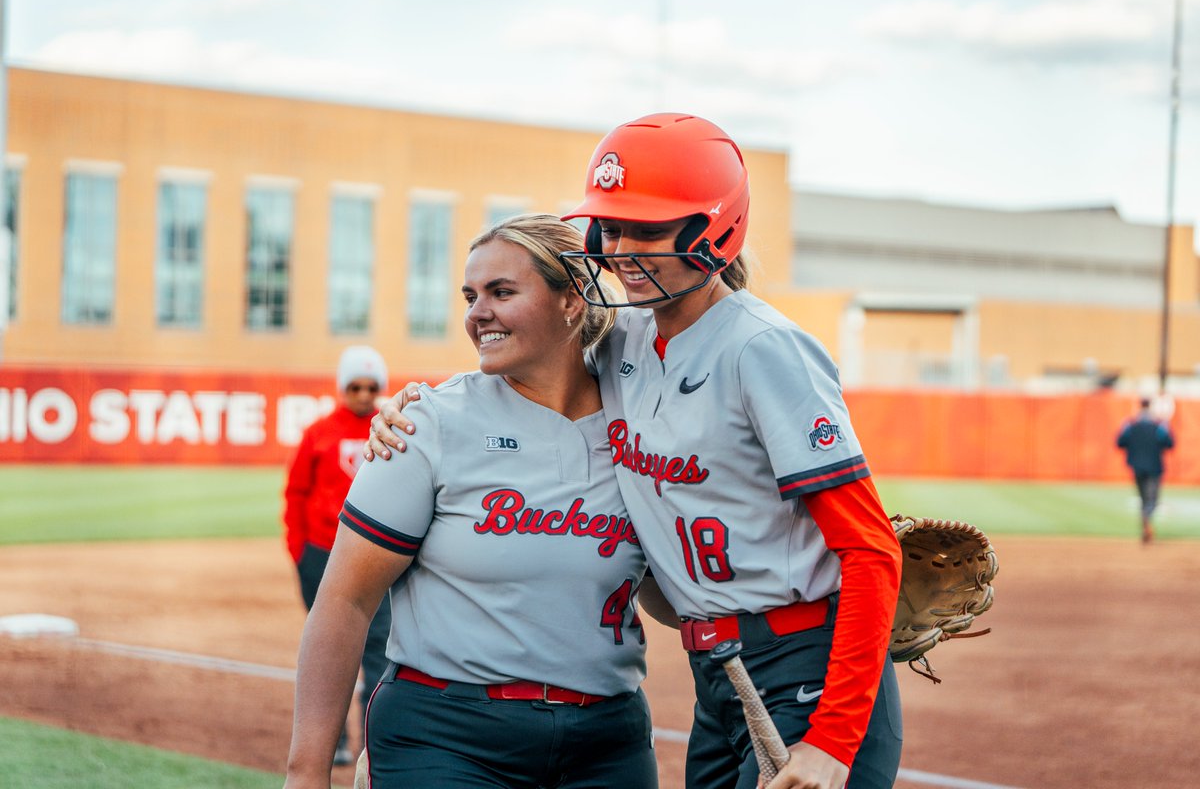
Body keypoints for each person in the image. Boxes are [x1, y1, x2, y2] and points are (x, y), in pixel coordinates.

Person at [368, 114, 904, 789]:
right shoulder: (621, 344)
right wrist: (413, 402)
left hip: (804, 669)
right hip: (720, 676)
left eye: (647, 228)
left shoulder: (761, 348)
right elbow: (527, 364)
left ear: (713, 228)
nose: (620, 248)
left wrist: (832, 741)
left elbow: (871, 548)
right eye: (610, 228)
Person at [284, 215, 664, 789]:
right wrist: (307, 773)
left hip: (608, 740)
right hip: (447, 736)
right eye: (470, 296)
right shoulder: (430, 424)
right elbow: (344, 600)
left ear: (571, 300)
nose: (476, 313)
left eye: (501, 292)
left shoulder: (641, 426)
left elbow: (673, 595)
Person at [282, 345, 393, 765]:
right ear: (342, 387)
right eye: (355, 386)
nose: (364, 394)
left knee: (378, 649)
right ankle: (335, 742)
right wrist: (299, 551)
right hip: (320, 554)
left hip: (373, 557)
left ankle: (370, 743)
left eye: (371, 387)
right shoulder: (319, 432)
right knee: (331, 649)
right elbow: (295, 493)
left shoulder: (391, 426)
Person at [1116, 397, 1175, 544]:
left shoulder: (1130, 424)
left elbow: (1120, 442)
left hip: (1136, 465)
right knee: (1152, 500)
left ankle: (1145, 526)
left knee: (1143, 498)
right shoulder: (1159, 425)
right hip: (1154, 466)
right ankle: (1147, 518)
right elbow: (1169, 443)